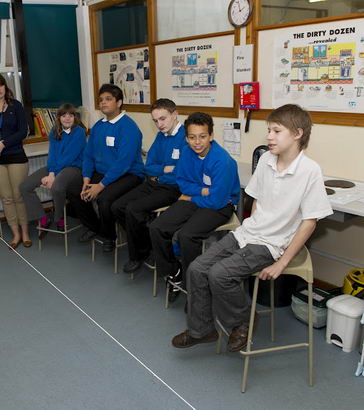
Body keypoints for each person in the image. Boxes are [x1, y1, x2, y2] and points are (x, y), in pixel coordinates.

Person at [171, 104, 333, 351]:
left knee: (220, 274)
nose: (269, 136)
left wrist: (281, 262)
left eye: (276, 131)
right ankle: (201, 330)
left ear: (298, 133)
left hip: (271, 244)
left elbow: (309, 222)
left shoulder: (310, 171)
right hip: (247, 233)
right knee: (197, 268)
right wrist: (250, 229)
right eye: (269, 130)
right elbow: (256, 199)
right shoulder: (267, 159)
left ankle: (244, 320)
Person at [149, 112, 240, 302]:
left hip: (222, 204)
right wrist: (202, 191)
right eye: (192, 137)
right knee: (157, 227)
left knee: (187, 236)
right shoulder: (187, 153)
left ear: (211, 136)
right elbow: (182, 183)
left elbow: (216, 200)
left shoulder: (222, 161)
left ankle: (195, 290)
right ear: (186, 138)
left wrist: (192, 198)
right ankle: (174, 271)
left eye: (202, 136)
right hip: (197, 197)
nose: (197, 142)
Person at [111, 98, 187, 273]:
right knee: (117, 206)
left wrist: (159, 176)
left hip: (172, 188)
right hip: (155, 183)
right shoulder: (161, 136)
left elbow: (179, 175)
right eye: (155, 120)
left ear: (175, 114)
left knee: (133, 209)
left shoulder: (186, 137)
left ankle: (138, 254)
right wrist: (163, 169)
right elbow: (149, 166)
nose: (159, 124)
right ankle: (148, 243)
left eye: (163, 118)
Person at [67, 84, 144, 253]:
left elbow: (123, 163)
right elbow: (88, 155)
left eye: (108, 99)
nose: (103, 103)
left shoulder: (129, 127)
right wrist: (86, 179)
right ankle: (96, 228)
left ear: (119, 102)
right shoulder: (98, 126)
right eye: (101, 100)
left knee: (104, 199)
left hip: (129, 174)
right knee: (74, 189)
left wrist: (100, 185)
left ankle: (109, 237)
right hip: (103, 172)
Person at [20, 103, 86, 236]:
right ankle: (42, 218)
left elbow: (69, 157)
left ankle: (59, 218)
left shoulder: (79, 132)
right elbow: (53, 154)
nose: (67, 118)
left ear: (75, 117)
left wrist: (52, 176)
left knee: (57, 187)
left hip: (74, 168)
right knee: (25, 186)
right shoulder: (55, 131)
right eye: (64, 115)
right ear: (59, 118)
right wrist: (51, 173)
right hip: (55, 167)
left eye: (70, 115)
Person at [0, 74, 31, 248]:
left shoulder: (16, 105)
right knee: (6, 198)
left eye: (1, 85)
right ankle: (15, 234)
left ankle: (26, 233)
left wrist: (3, 143)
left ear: (5, 86)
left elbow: (22, 131)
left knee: (18, 196)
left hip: (16, 156)